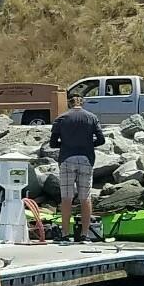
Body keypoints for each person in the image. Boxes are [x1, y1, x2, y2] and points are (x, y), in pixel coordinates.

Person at [49, 94, 105, 243]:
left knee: (66, 198)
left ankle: (65, 234)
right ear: (83, 103)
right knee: (85, 197)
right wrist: (87, 144)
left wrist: (67, 144)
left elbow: (53, 143)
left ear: (69, 103)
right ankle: (85, 235)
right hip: (86, 159)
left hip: (67, 159)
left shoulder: (61, 119)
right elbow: (101, 140)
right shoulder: (92, 117)